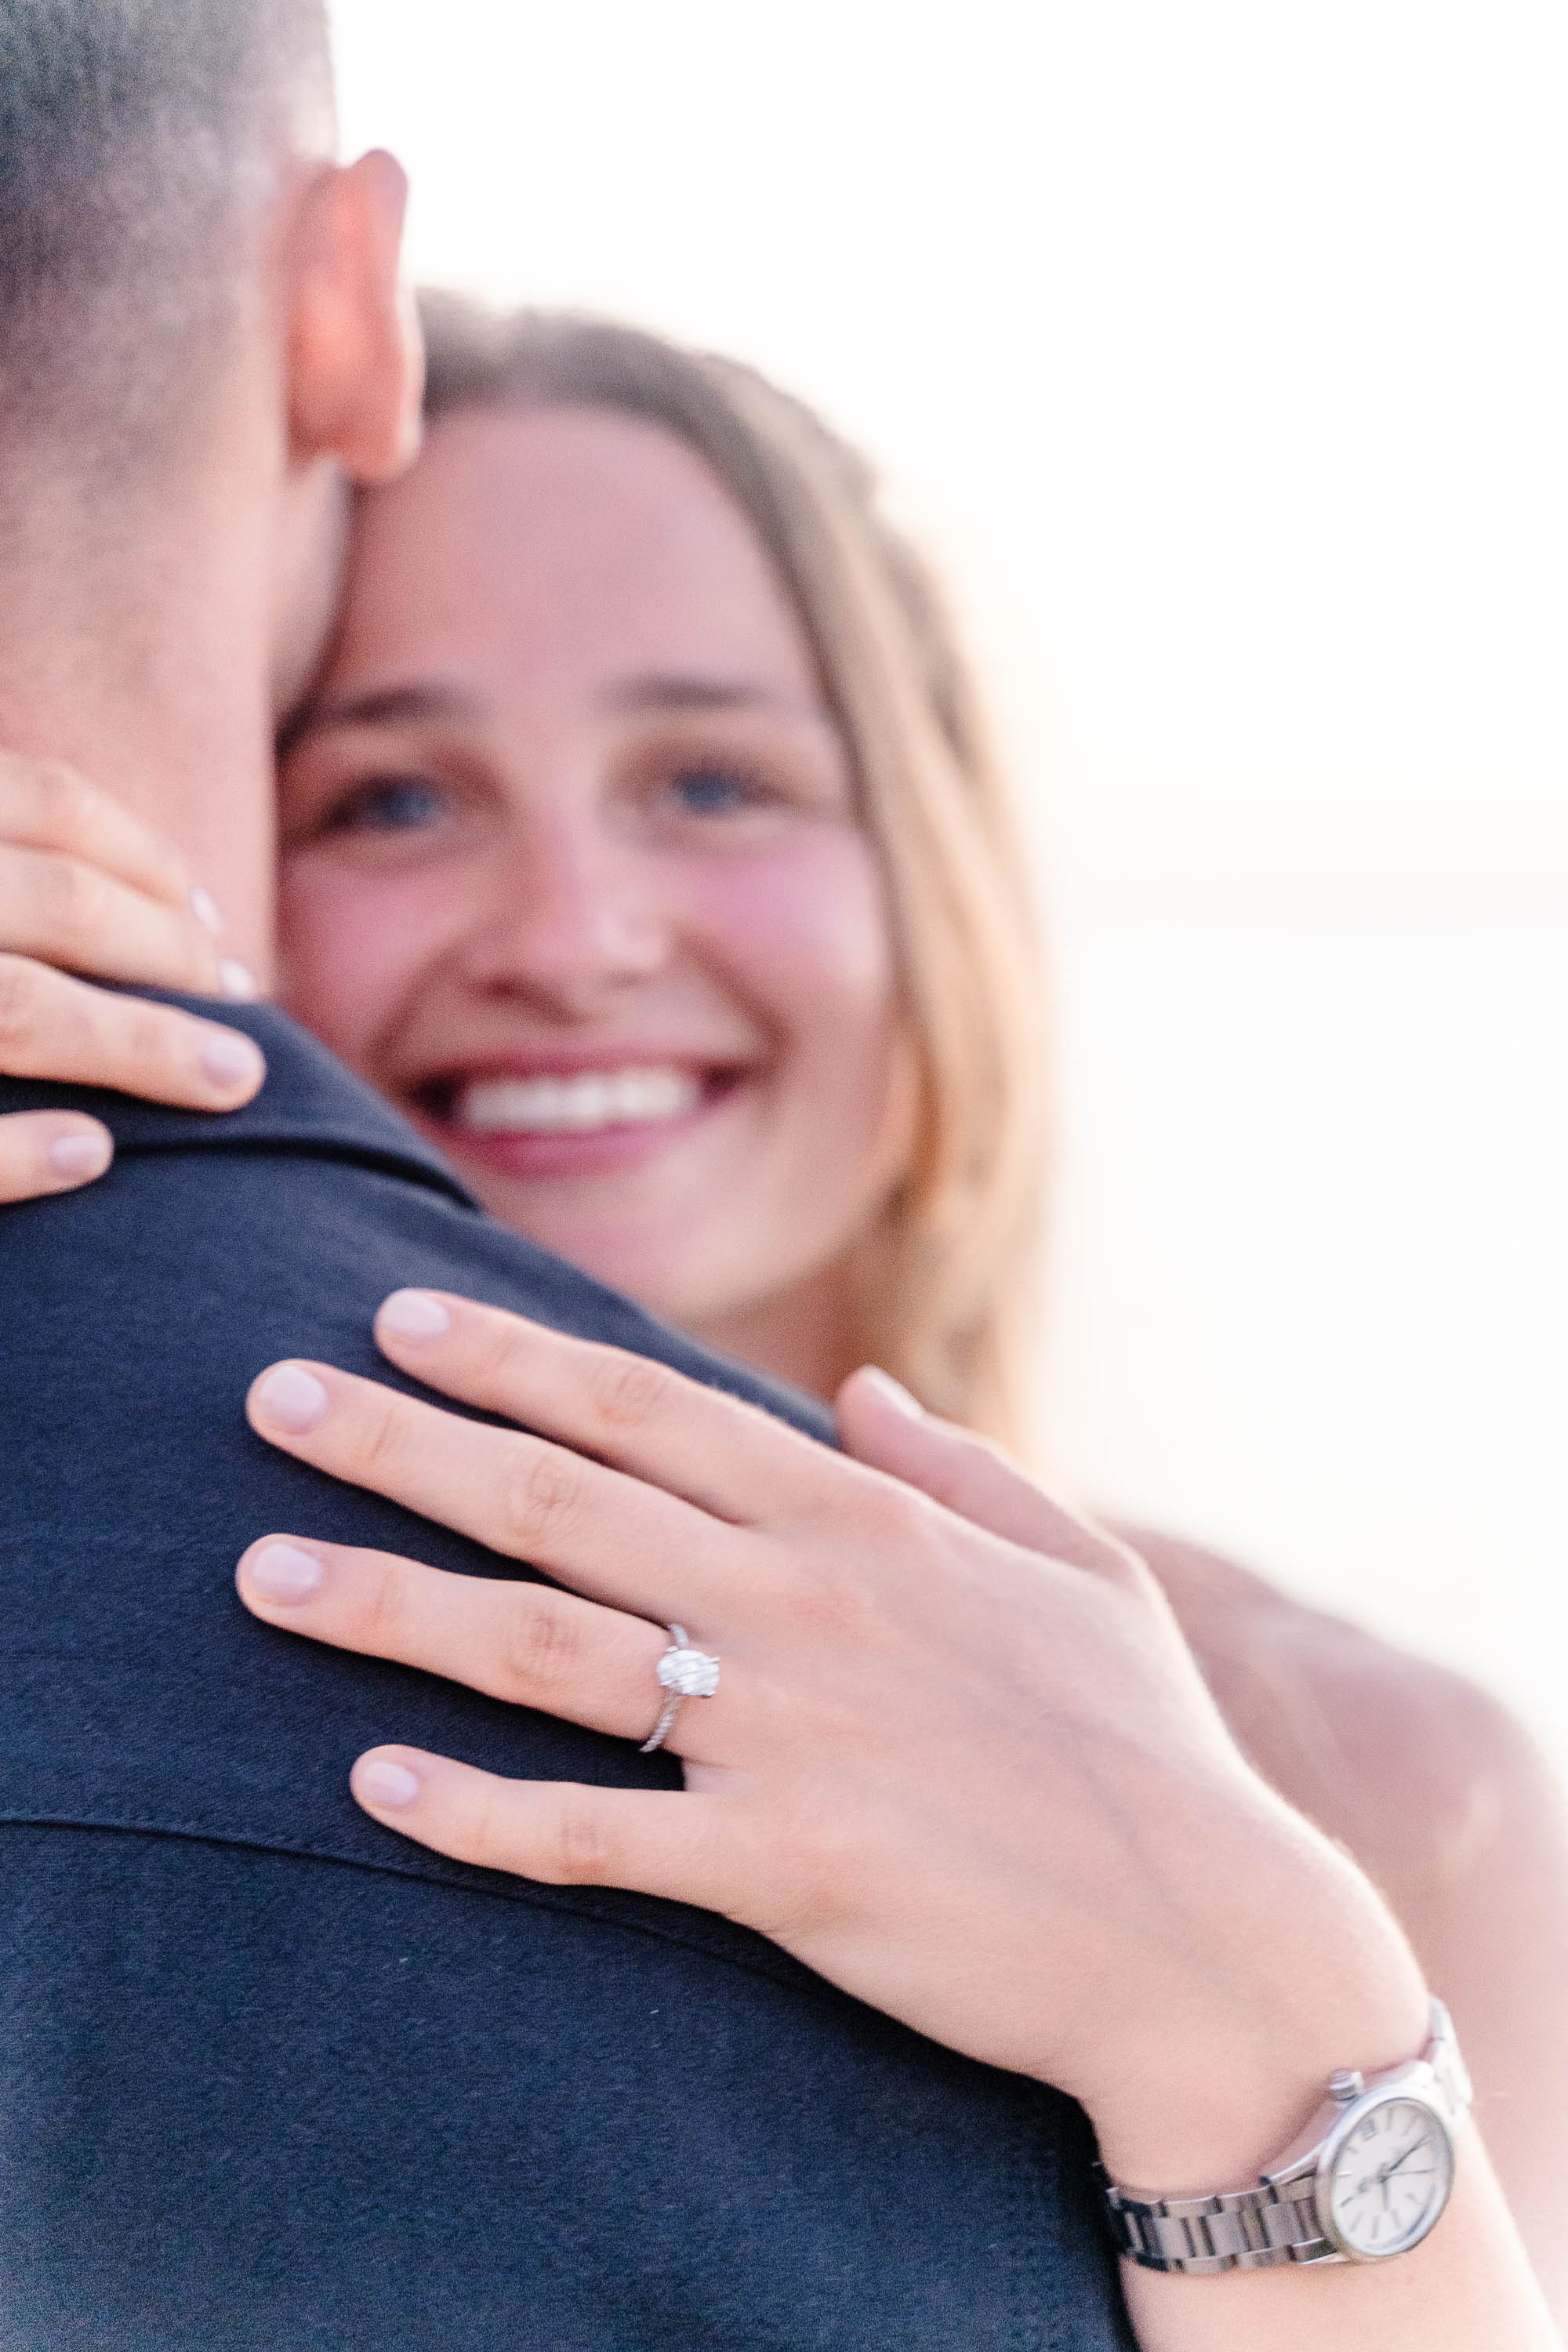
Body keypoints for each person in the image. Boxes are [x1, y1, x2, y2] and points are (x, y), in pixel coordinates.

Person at [0, 11, 1556, 2345]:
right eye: (393, 801)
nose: (572, 939)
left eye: (713, 783)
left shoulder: (1375, 1777)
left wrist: (1272, 2036)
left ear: (920, 874)